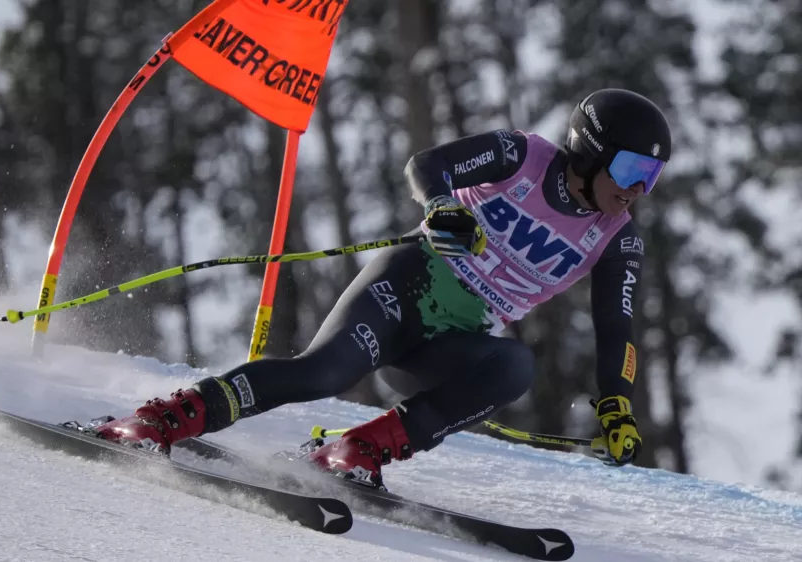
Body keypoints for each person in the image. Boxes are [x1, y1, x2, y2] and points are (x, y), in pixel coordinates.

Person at [94, 88, 671, 488]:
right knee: (322, 373)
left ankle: (359, 448)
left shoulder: (616, 236)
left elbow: (615, 327)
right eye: (628, 173)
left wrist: (617, 402)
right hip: (407, 285)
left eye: (649, 179)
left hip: (452, 341)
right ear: (589, 150)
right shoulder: (524, 156)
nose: (635, 192)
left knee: (515, 367)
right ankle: (166, 417)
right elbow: (428, 165)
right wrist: (444, 207)